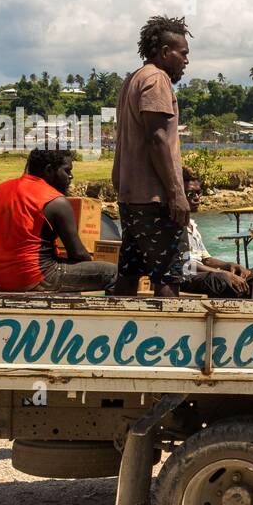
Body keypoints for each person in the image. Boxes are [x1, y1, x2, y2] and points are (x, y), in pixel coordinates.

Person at [109, 15, 192, 298]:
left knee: (130, 272)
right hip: (155, 199)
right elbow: (157, 138)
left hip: (131, 196)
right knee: (168, 275)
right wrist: (176, 193)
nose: (186, 61)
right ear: (166, 52)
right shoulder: (157, 79)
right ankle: (168, 336)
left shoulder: (134, 78)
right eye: (183, 54)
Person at [0, 147, 118, 293]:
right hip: (37, 277)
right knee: (112, 273)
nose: (71, 177)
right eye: (67, 170)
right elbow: (78, 254)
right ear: (49, 170)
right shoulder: (55, 200)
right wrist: (92, 267)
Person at [178, 169, 253, 298]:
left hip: (204, 272)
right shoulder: (175, 226)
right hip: (187, 276)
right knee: (221, 281)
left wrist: (229, 265)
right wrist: (224, 274)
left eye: (198, 193)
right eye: (191, 194)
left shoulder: (193, 226)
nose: (197, 198)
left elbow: (206, 259)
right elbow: (186, 265)